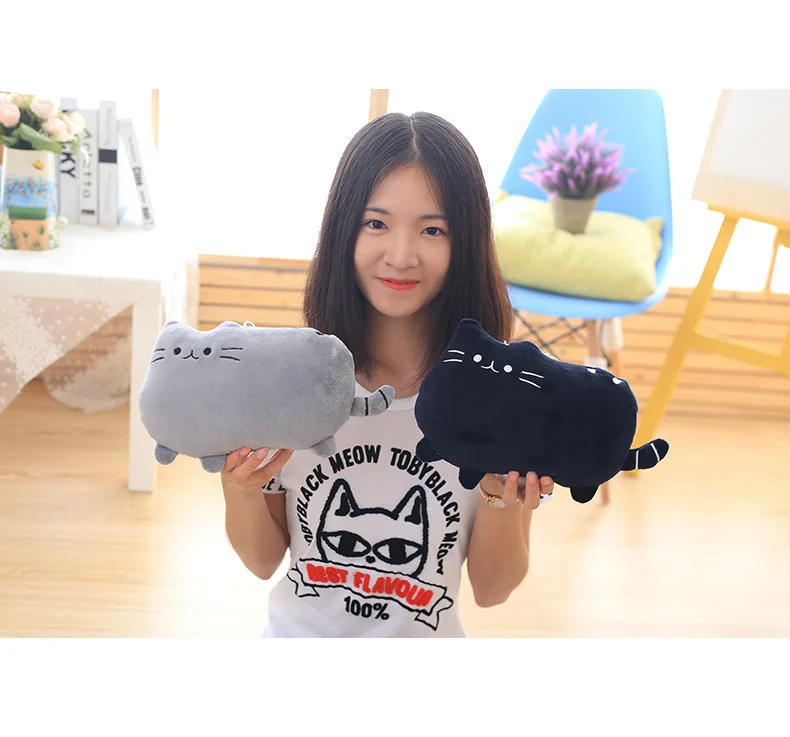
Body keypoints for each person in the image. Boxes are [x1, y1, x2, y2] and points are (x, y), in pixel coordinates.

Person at [220, 111, 555, 638]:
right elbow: (263, 561)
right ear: (343, 231)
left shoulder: (497, 402)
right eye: (376, 224)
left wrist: (499, 497)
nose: (401, 256)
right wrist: (240, 488)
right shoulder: (289, 385)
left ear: (466, 243)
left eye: (432, 229)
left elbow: (493, 590)